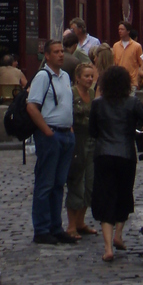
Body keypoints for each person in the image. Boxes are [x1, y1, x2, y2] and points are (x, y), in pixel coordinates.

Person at [89, 64, 143, 261]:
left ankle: (107, 248)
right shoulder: (132, 103)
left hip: (103, 155)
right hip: (125, 154)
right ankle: (118, 236)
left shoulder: (97, 104)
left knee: (106, 196)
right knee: (124, 194)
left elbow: (92, 131)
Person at [26, 40, 76, 246]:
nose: (61, 55)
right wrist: (47, 132)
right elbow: (32, 107)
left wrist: (70, 129)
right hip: (51, 135)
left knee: (59, 184)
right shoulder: (42, 77)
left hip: (66, 134)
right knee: (45, 183)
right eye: (56, 52)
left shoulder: (64, 76)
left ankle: (56, 227)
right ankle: (42, 228)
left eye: (62, 51)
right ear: (47, 56)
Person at [66, 62, 97, 239]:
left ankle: (81, 221)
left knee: (90, 182)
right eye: (86, 76)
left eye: (91, 76)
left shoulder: (92, 93)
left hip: (91, 139)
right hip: (77, 139)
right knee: (76, 181)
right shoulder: (72, 93)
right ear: (77, 78)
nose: (90, 79)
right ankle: (71, 225)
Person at [112, 22, 143, 89]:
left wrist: (139, 78)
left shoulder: (137, 46)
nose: (120, 31)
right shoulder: (115, 46)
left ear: (128, 31)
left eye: (122, 29)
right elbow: (114, 63)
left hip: (132, 81)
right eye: (119, 29)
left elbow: (141, 64)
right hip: (118, 80)